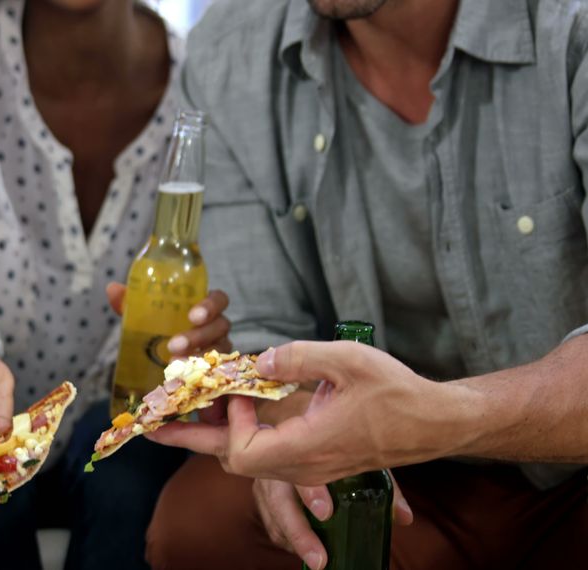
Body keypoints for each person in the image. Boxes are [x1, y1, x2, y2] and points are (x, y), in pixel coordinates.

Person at [142, 0, 588, 568]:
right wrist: (293, 439)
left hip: (572, 461)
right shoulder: (229, 53)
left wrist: (438, 418)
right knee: (199, 526)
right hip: (389, 473)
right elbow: (263, 340)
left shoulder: (570, 24)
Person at [0, 0, 231, 567]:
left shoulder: (210, 74)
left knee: (133, 467)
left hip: (122, 420)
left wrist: (217, 350)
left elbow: (249, 300)